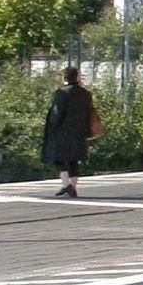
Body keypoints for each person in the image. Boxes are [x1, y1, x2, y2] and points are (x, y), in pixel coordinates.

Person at [41, 64, 98, 198]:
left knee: (57, 157)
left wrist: (52, 127)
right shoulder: (85, 93)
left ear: (64, 77)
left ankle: (66, 185)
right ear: (77, 77)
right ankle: (73, 186)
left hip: (63, 131)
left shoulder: (62, 92)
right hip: (79, 131)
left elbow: (57, 112)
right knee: (73, 159)